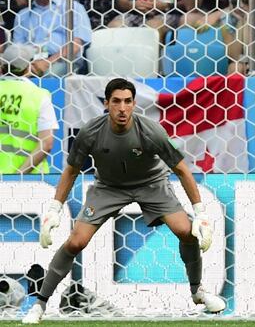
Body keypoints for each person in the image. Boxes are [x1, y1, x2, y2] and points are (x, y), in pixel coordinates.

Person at [22, 78, 225, 324]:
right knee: (76, 242)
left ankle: (197, 290)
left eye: (128, 101)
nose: (122, 108)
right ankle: (40, 304)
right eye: (116, 101)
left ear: (134, 104)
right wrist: (54, 209)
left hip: (152, 185)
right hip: (108, 188)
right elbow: (71, 170)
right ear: (106, 103)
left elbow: (182, 169)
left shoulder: (150, 130)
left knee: (186, 231)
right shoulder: (90, 132)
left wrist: (200, 212)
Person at [12, 0, 92, 77]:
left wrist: (48, 62)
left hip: (63, 62)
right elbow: (17, 50)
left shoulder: (73, 8)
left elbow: (75, 45)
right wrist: (26, 67)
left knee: (50, 74)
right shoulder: (23, 15)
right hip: (30, 64)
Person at [0, 44, 58, 175]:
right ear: (28, 67)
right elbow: (46, 143)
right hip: (30, 180)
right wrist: (18, 177)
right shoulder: (39, 96)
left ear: (2, 66)